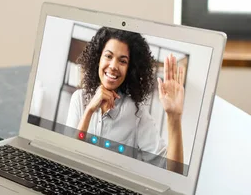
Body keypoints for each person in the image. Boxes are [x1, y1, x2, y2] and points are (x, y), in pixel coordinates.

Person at [66, 27, 185, 173]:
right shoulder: (79, 99)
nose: (114, 66)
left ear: (130, 69)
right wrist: (90, 110)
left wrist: (174, 117)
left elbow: (172, 172)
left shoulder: (137, 114)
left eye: (122, 61)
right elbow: (67, 158)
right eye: (108, 56)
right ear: (98, 59)